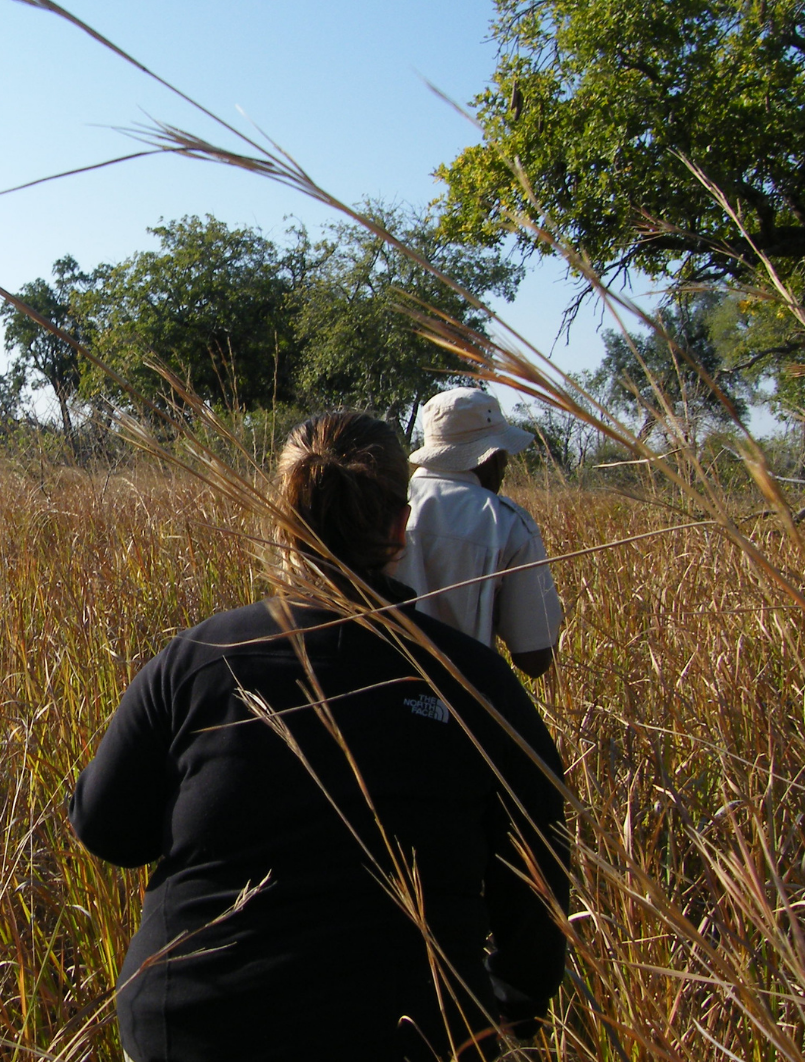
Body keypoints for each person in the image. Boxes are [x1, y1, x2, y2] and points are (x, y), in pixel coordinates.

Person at [70, 413, 569, 1062]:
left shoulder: (197, 659)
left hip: (194, 1026)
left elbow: (105, 829)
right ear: (399, 526)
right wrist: (512, 1006)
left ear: (281, 521)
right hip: (417, 1035)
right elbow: (540, 869)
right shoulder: (473, 682)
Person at [392, 388, 563, 679]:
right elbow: (535, 659)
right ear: (491, 457)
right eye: (504, 455)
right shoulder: (506, 524)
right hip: (466, 704)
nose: (506, 465)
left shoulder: (383, 505)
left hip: (377, 695)